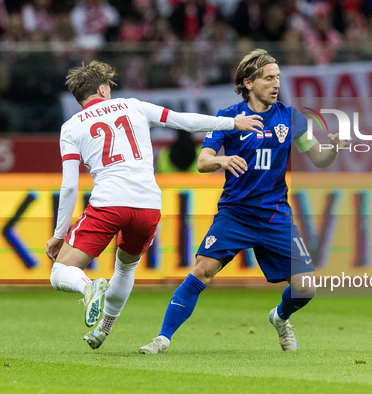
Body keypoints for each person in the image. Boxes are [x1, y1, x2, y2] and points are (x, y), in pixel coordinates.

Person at [139, 49, 350, 354]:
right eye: (268, 78)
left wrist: (334, 149)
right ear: (249, 83)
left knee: (306, 288)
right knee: (202, 270)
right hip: (235, 214)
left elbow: (318, 158)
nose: (276, 84)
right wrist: (222, 161)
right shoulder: (227, 118)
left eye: (278, 77)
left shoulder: (292, 118)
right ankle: (163, 338)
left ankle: (280, 317)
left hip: (275, 216)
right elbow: (203, 162)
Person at [46, 60, 263, 350]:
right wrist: (230, 123)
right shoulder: (133, 105)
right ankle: (104, 328)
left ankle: (88, 286)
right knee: (124, 270)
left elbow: (70, 186)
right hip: (148, 205)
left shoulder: (71, 127)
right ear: (101, 88)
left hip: (109, 202)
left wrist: (60, 234)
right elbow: (183, 120)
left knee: (60, 272)